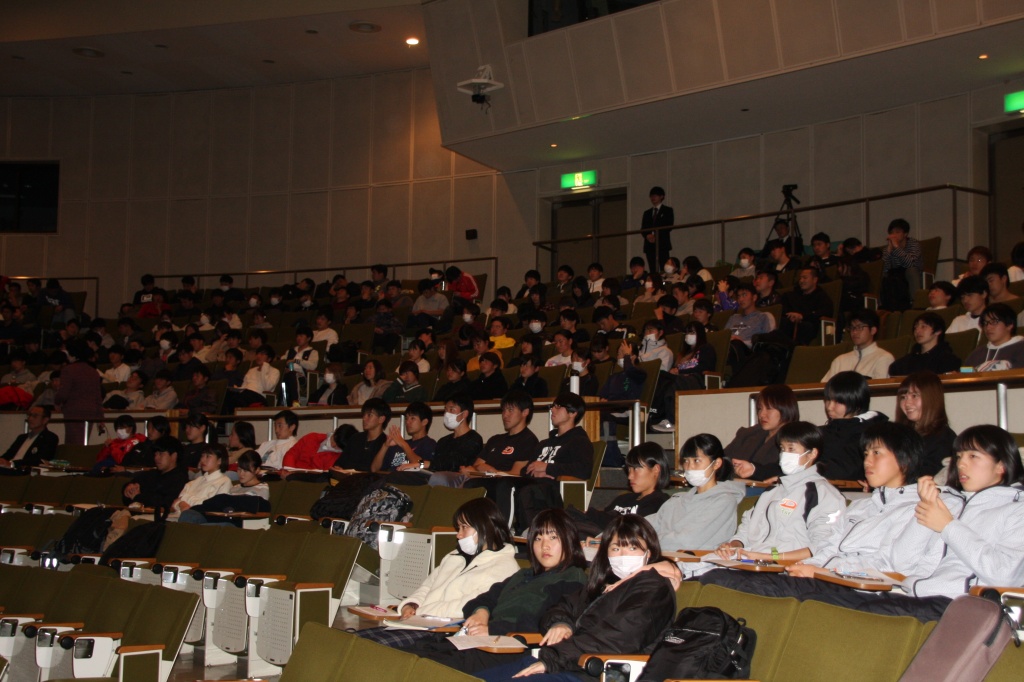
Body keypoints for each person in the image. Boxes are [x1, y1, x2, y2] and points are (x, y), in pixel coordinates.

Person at [700, 422, 957, 603]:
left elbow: (892, 565)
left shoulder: (923, 506)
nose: (867, 461)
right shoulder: (861, 506)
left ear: (904, 458)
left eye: (877, 453)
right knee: (714, 578)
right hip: (819, 578)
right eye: (866, 453)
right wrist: (806, 567)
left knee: (737, 586)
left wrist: (816, 570)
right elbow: (828, 549)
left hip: (858, 590)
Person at [475, 514, 676, 682]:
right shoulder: (602, 586)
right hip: (566, 662)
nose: (622, 555)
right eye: (615, 548)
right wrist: (561, 624)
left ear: (648, 554)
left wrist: (553, 659)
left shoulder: (654, 589)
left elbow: (615, 638)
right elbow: (560, 607)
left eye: (632, 548)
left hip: (592, 671)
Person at [402, 508, 588, 674]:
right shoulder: (524, 574)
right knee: (410, 654)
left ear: (569, 539)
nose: (544, 546)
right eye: (538, 538)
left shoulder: (573, 578)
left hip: (514, 648)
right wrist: (481, 612)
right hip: (484, 640)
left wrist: (492, 629)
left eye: (553, 537)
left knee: (429, 668)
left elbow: (541, 620)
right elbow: (486, 598)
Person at [356, 497, 519, 649]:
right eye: (458, 528)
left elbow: (467, 606)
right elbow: (427, 586)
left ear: (484, 527)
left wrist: (422, 612)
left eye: (464, 527)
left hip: (444, 633)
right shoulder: (455, 556)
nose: (458, 535)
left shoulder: (504, 567)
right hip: (420, 623)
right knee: (353, 640)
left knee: (370, 648)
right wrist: (411, 605)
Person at [701, 421, 846, 589]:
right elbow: (746, 529)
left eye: (791, 449)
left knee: (716, 581)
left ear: (812, 453)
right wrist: (732, 546)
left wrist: (769, 557)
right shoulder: (772, 491)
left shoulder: (823, 494)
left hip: (785, 571)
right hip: (751, 562)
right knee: (693, 572)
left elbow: (821, 548)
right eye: (783, 449)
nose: (785, 455)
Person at [649, 434, 745, 558]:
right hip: (660, 558)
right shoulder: (678, 499)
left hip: (694, 565)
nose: (689, 467)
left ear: (716, 464)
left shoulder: (724, 500)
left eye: (697, 461)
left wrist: (646, 544)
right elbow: (646, 526)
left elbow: (685, 541)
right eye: (686, 461)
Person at [512, 393, 594, 532]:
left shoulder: (579, 441)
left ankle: (531, 536)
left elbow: (583, 470)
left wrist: (548, 468)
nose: (552, 410)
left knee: (527, 491)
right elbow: (525, 469)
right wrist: (535, 471)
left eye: (558, 406)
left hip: (555, 492)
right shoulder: (544, 443)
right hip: (534, 485)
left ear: (573, 413)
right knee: (502, 485)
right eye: (553, 406)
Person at [568, 442, 671, 538]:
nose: (630, 476)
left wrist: (590, 514)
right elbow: (602, 519)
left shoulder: (659, 502)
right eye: (629, 470)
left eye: (636, 469)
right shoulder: (623, 498)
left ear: (656, 469)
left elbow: (633, 530)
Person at [818, 371, 888, 481]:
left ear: (855, 400)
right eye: (828, 400)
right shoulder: (820, 431)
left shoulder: (873, 433)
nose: (829, 407)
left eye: (837, 401)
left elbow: (846, 470)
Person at [649, 321, 716, 433]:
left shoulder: (706, 348)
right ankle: (656, 416)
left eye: (692, 332)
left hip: (696, 379)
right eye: (687, 332)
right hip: (682, 379)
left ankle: (672, 420)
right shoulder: (683, 354)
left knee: (672, 383)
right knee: (660, 377)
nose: (688, 335)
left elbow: (705, 366)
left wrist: (680, 371)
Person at [724, 384, 799, 481]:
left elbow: (784, 472)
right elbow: (721, 459)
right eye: (760, 409)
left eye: (768, 408)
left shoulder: (796, 438)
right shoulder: (748, 433)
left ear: (785, 408)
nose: (762, 414)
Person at [179, 450, 270, 525]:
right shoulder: (235, 487)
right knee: (189, 514)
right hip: (223, 517)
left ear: (257, 470)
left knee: (206, 525)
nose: (241, 474)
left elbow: (256, 509)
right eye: (239, 469)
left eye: (246, 471)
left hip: (239, 523)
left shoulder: (262, 488)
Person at [894, 371, 956, 478]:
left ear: (931, 398)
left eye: (914, 396)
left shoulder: (944, 439)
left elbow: (926, 476)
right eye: (903, 397)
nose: (907, 403)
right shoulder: (898, 435)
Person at [821, 309, 893, 381]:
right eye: (852, 328)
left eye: (859, 327)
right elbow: (823, 388)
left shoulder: (883, 358)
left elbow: (880, 390)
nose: (854, 332)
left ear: (873, 330)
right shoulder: (840, 360)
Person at [54, 340, 103, 446]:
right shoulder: (93, 371)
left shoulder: (68, 370)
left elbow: (63, 393)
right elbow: (98, 397)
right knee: (83, 440)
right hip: (90, 410)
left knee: (73, 442)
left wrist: (57, 401)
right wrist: (100, 417)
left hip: (74, 410)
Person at [121, 436, 189, 509]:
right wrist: (128, 489)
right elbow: (132, 484)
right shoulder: (151, 474)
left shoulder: (180, 479)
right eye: (155, 454)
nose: (156, 458)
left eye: (161, 454)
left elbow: (164, 502)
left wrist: (138, 497)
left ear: (173, 456)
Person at [888, 312, 961, 376]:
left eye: (923, 327)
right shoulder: (910, 358)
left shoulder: (947, 360)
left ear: (938, 331)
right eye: (916, 327)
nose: (917, 331)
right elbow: (894, 370)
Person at [371, 402, 436, 473]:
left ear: (424, 422)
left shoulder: (429, 443)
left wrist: (404, 444)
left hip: (411, 482)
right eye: (406, 418)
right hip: (390, 481)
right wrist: (385, 446)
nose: (407, 422)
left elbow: (422, 465)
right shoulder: (397, 444)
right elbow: (374, 469)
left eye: (412, 418)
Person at [171, 444, 232, 513]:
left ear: (219, 461)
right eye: (202, 456)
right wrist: (182, 504)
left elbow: (209, 506)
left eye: (208, 456)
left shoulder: (224, 481)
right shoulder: (196, 481)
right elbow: (175, 503)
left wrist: (184, 498)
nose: (203, 460)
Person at [334, 399, 390, 472]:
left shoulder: (385, 443)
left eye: (369, 415)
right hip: (348, 480)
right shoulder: (355, 438)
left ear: (381, 419)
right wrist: (338, 469)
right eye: (364, 414)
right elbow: (339, 463)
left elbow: (376, 471)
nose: (364, 418)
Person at [964, 303, 1024, 371]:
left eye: (994, 322)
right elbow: (964, 373)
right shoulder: (976, 354)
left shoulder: (1021, 348)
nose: (988, 327)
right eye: (985, 323)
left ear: (1009, 325)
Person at [223, 344, 280, 413]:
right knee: (227, 395)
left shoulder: (275, 371)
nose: (258, 356)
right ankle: (226, 422)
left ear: (269, 359)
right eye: (258, 354)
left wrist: (265, 366)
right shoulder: (251, 370)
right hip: (246, 393)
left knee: (237, 399)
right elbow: (244, 385)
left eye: (262, 354)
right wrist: (238, 389)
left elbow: (267, 387)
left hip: (259, 396)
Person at [0, 405, 58, 472]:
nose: (30, 418)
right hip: (9, 468)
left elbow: (41, 460)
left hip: (24, 471)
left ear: (45, 420)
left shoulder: (50, 438)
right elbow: (8, 455)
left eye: (35, 416)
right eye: (29, 415)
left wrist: (13, 464)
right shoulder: (22, 438)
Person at [281, 424, 352, 472]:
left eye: (337, 446)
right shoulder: (312, 437)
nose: (333, 445)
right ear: (335, 431)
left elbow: (324, 477)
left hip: (311, 484)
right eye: (334, 440)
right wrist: (289, 471)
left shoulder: (337, 458)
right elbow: (291, 455)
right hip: (292, 475)